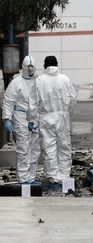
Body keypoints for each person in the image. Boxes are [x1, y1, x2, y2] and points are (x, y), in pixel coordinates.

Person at [28, 56, 77, 190]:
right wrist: (67, 113)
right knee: (64, 147)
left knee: (49, 149)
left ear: (44, 66)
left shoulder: (39, 81)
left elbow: (33, 103)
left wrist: (32, 119)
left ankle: (54, 180)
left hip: (45, 117)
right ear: (57, 64)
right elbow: (73, 98)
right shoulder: (65, 79)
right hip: (62, 116)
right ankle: (64, 178)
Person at [2, 56, 41, 184]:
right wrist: (7, 118)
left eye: (32, 66)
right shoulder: (16, 83)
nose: (30, 69)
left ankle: (31, 177)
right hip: (21, 117)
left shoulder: (39, 81)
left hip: (35, 118)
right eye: (28, 66)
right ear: (24, 67)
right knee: (24, 148)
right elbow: (8, 102)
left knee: (34, 149)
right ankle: (23, 178)